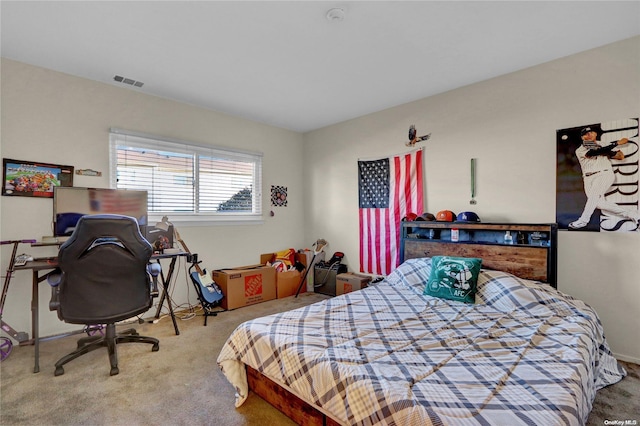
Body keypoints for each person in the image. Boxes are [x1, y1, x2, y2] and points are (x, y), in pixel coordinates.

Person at [569, 126, 640, 230]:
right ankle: (633, 215)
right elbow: (593, 152)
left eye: (591, 132)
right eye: (585, 134)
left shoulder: (603, 144)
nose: (589, 135)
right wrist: (616, 144)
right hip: (588, 178)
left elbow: (620, 156)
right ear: (582, 138)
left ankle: (583, 221)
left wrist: (610, 149)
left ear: (595, 134)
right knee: (598, 204)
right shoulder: (580, 149)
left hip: (604, 174)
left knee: (593, 197)